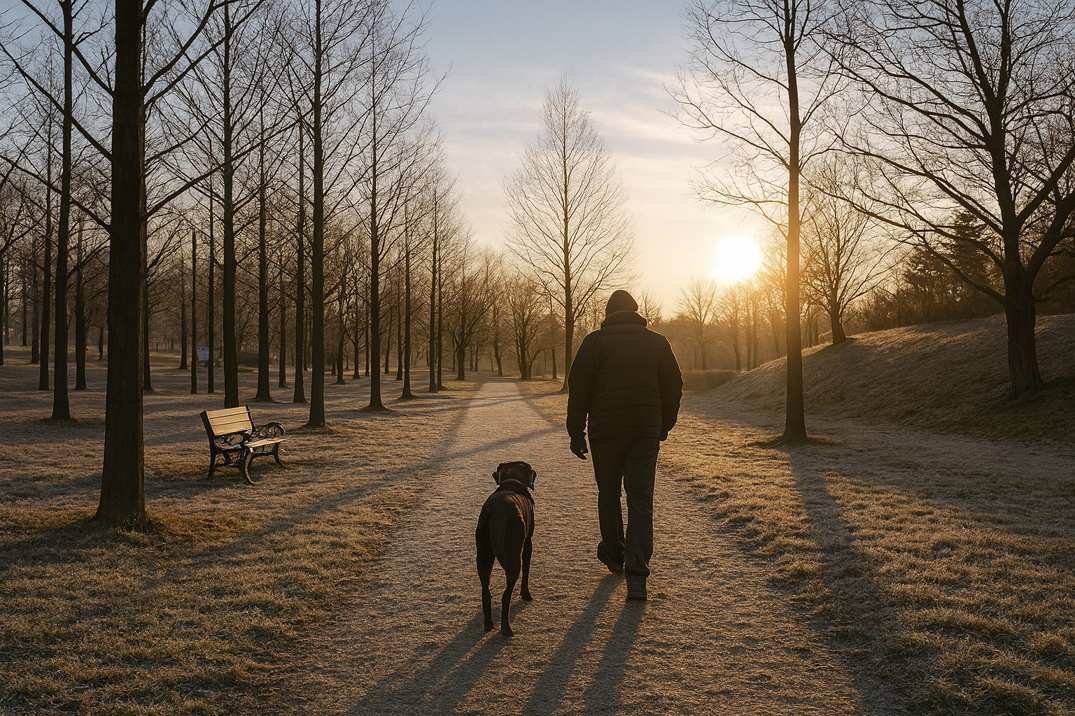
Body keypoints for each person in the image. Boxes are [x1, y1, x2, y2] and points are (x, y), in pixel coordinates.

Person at [566, 289, 683, 600]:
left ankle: (614, 554)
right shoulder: (657, 343)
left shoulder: (594, 343)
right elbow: (674, 386)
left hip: (605, 431)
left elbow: (579, 389)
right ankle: (638, 571)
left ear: (608, 314)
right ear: (636, 312)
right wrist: (663, 424)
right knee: (640, 499)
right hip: (644, 431)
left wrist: (576, 431)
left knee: (608, 494)